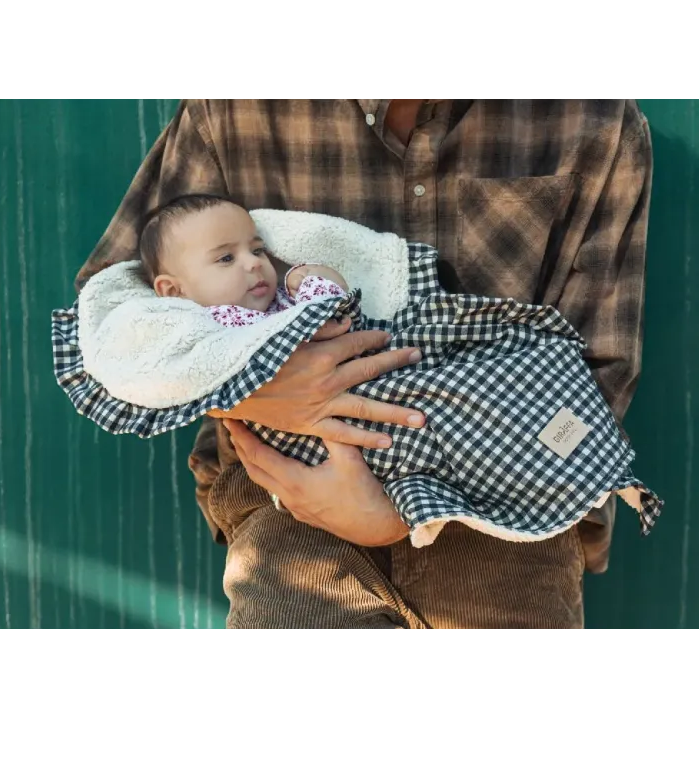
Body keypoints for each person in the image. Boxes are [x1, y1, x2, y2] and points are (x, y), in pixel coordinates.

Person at [76, 96, 653, 630]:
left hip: (508, 504)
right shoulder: (234, 106)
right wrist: (265, 389)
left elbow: (596, 364)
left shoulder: (589, 116)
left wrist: (401, 512)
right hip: (290, 504)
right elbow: (110, 326)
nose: (251, 264)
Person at [138, 193, 348, 326]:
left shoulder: (284, 299)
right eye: (226, 258)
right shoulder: (201, 328)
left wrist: (312, 278)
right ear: (174, 291)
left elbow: (336, 308)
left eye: (257, 250)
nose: (255, 263)